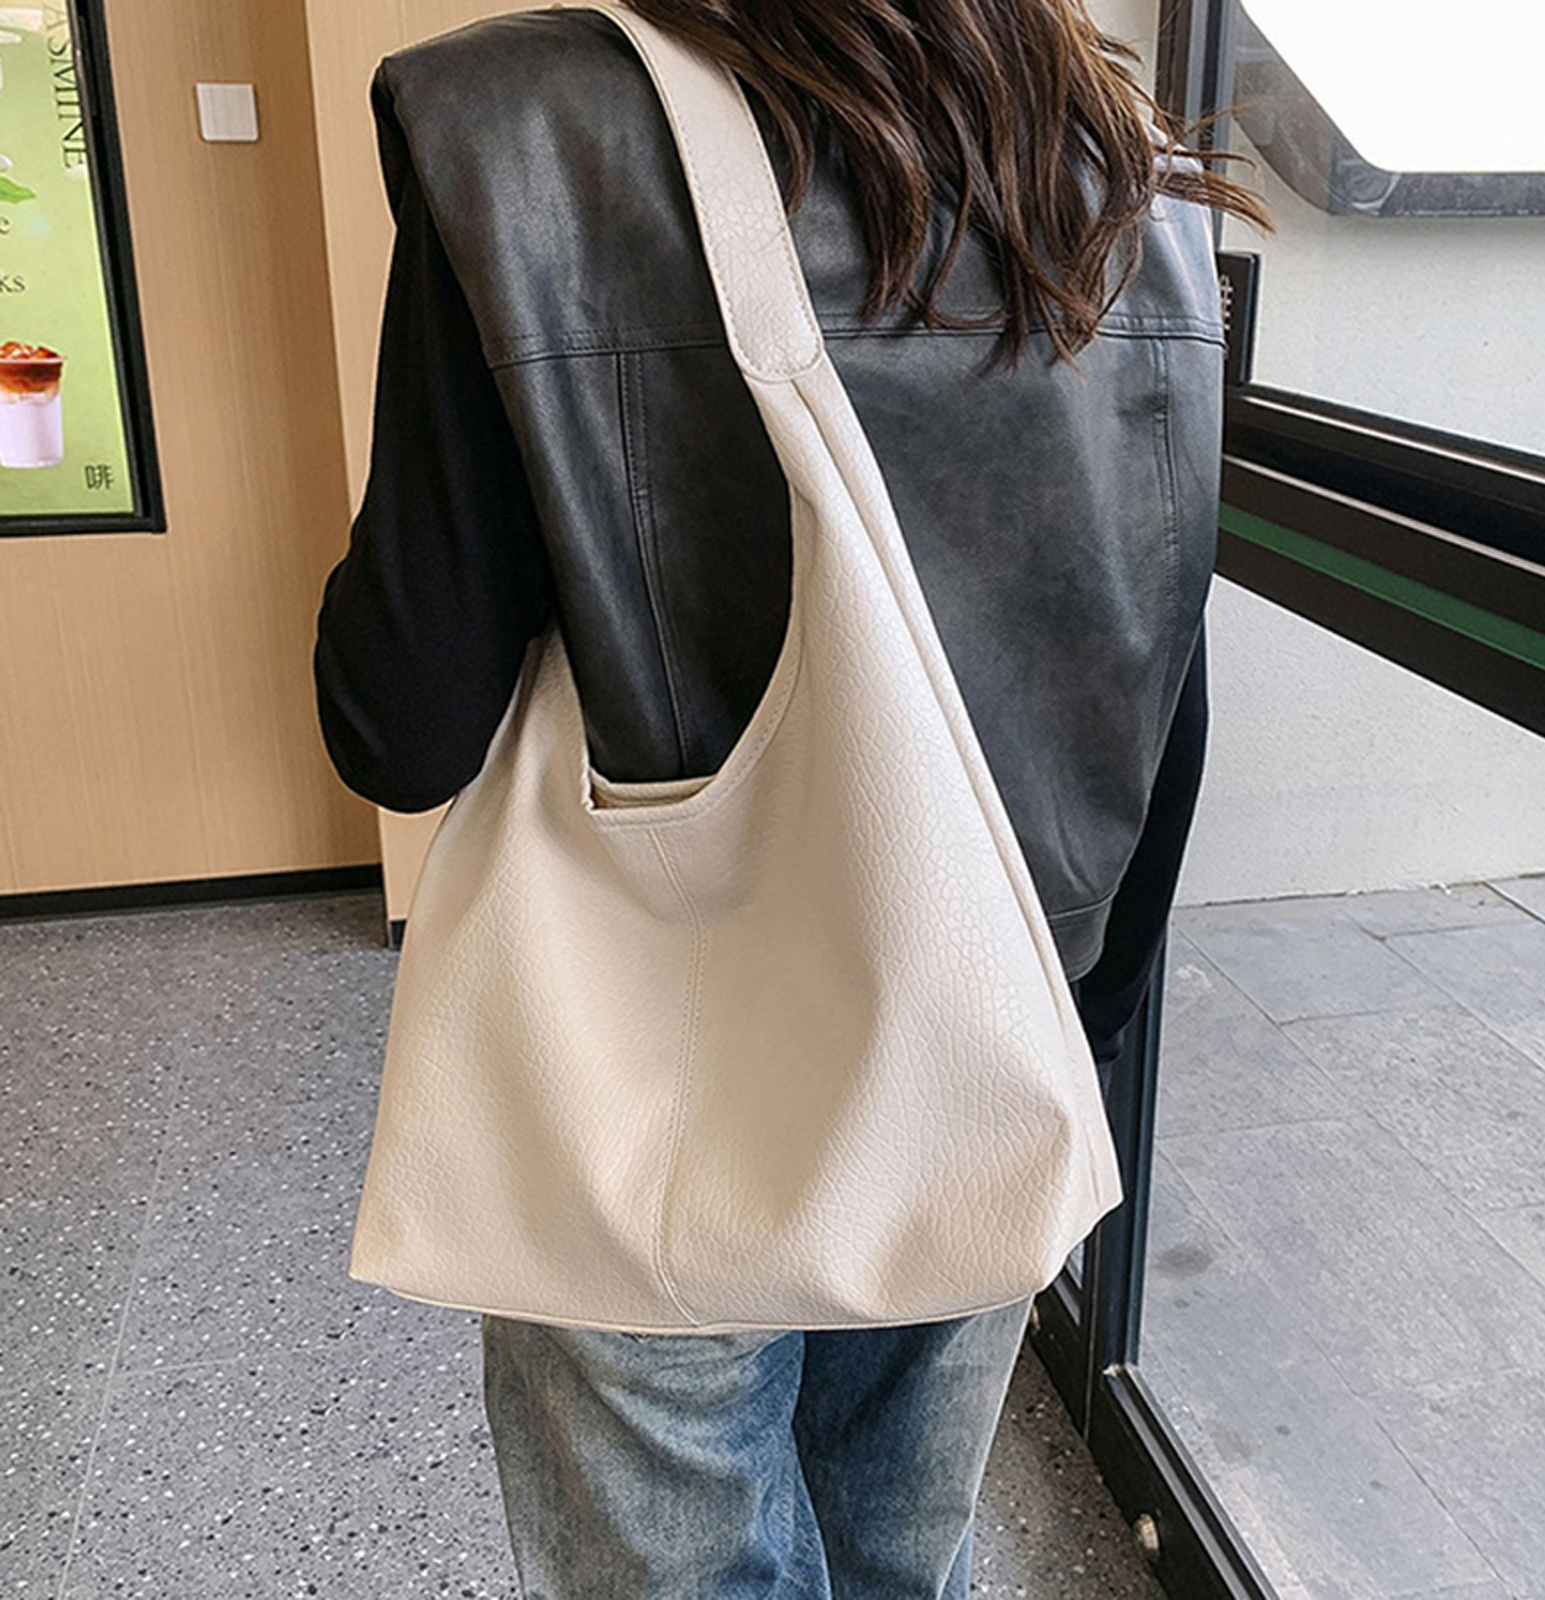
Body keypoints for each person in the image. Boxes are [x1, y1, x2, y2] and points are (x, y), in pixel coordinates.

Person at [314, 3, 1266, 1595]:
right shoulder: (1115, 161)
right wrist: (1073, 1030)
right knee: (902, 1555)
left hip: (650, 1059)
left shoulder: (525, 121)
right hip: (989, 1018)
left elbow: (399, 728)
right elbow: (1158, 664)